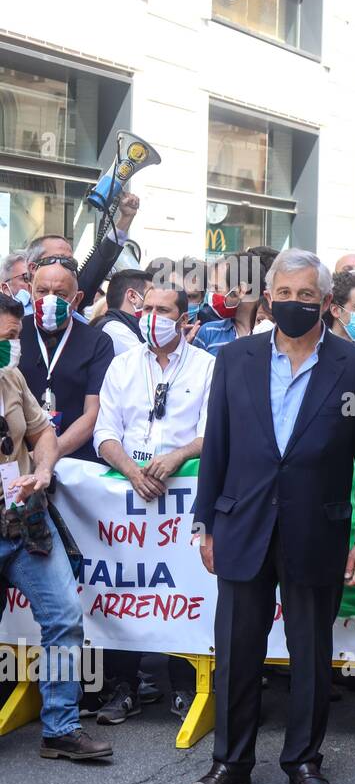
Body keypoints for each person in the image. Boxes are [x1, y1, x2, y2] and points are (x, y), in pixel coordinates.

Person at [185, 249, 355, 784]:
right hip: (242, 525)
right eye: (284, 294)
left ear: (325, 302)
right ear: (268, 296)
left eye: (307, 296)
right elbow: (217, 447)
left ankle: (303, 760)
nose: (294, 304)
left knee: (311, 655)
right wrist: (206, 523)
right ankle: (231, 761)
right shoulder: (233, 358)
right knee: (236, 651)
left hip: (317, 529)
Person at [92, 279, 215, 723]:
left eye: (164, 311)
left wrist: (177, 457)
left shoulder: (206, 367)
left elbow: (213, 431)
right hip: (128, 494)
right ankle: (123, 688)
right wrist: (131, 470)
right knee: (128, 586)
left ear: (184, 319)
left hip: (181, 494)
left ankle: (185, 686)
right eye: (148, 308)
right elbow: (104, 432)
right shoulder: (123, 365)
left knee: (181, 587)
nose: (153, 318)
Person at [0, 292, 113, 761]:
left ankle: (61, 728)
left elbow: (43, 431)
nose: (13, 346)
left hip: (25, 522)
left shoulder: (10, 377)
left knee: (64, 617)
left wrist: (43, 471)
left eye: (13, 336)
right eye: (6, 337)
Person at [17, 256, 115, 462]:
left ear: (77, 299)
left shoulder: (97, 342)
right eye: (42, 292)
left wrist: (49, 452)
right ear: (30, 290)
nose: (49, 300)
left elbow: (93, 413)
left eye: (60, 294)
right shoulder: (12, 333)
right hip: (18, 458)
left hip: (76, 462)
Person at [195, 248, 276, 353]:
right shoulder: (208, 333)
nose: (211, 295)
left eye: (217, 288)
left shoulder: (274, 333)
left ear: (242, 289)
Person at [96, 269, 148, 356]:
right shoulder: (114, 328)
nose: (154, 300)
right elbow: (146, 365)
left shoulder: (130, 326)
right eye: (149, 295)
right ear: (132, 296)